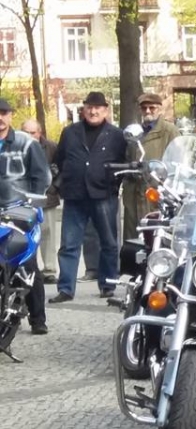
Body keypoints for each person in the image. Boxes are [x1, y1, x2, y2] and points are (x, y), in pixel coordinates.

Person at [50, 92, 126, 303]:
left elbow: (123, 163)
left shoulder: (116, 135)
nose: (93, 111)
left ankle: (108, 285)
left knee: (108, 242)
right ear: (83, 109)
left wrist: (113, 185)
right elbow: (60, 159)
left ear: (106, 110)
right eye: (89, 107)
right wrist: (64, 180)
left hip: (104, 194)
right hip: (75, 195)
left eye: (98, 108)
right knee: (69, 244)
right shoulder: (70, 132)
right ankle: (66, 289)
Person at [0, 101, 51, 334]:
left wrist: (32, 204)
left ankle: (38, 319)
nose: (0, 118)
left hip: (20, 211)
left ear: (10, 116)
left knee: (26, 263)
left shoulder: (26, 143)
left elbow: (42, 176)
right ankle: (7, 313)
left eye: (3, 113)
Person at [123, 93, 179, 240]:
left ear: (160, 109)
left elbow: (178, 161)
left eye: (152, 108)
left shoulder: (169, 131)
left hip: (157, 193)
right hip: (135, 195)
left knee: (157, 238)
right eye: (144, 108)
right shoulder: (135, 132)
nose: (147, 111)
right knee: (134, 239)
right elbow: (128, 158)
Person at [22, 119, 59, 284]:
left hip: (47, 197)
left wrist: (55, 187)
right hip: (23, 197)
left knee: (47, 233)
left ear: (40, 133)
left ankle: (49, 269)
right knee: (25, 234)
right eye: (26, 132)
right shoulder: (16, 145)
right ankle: (27, 268)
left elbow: (61, 167)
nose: (30, 136)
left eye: (33, 133)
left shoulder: (51, 147)